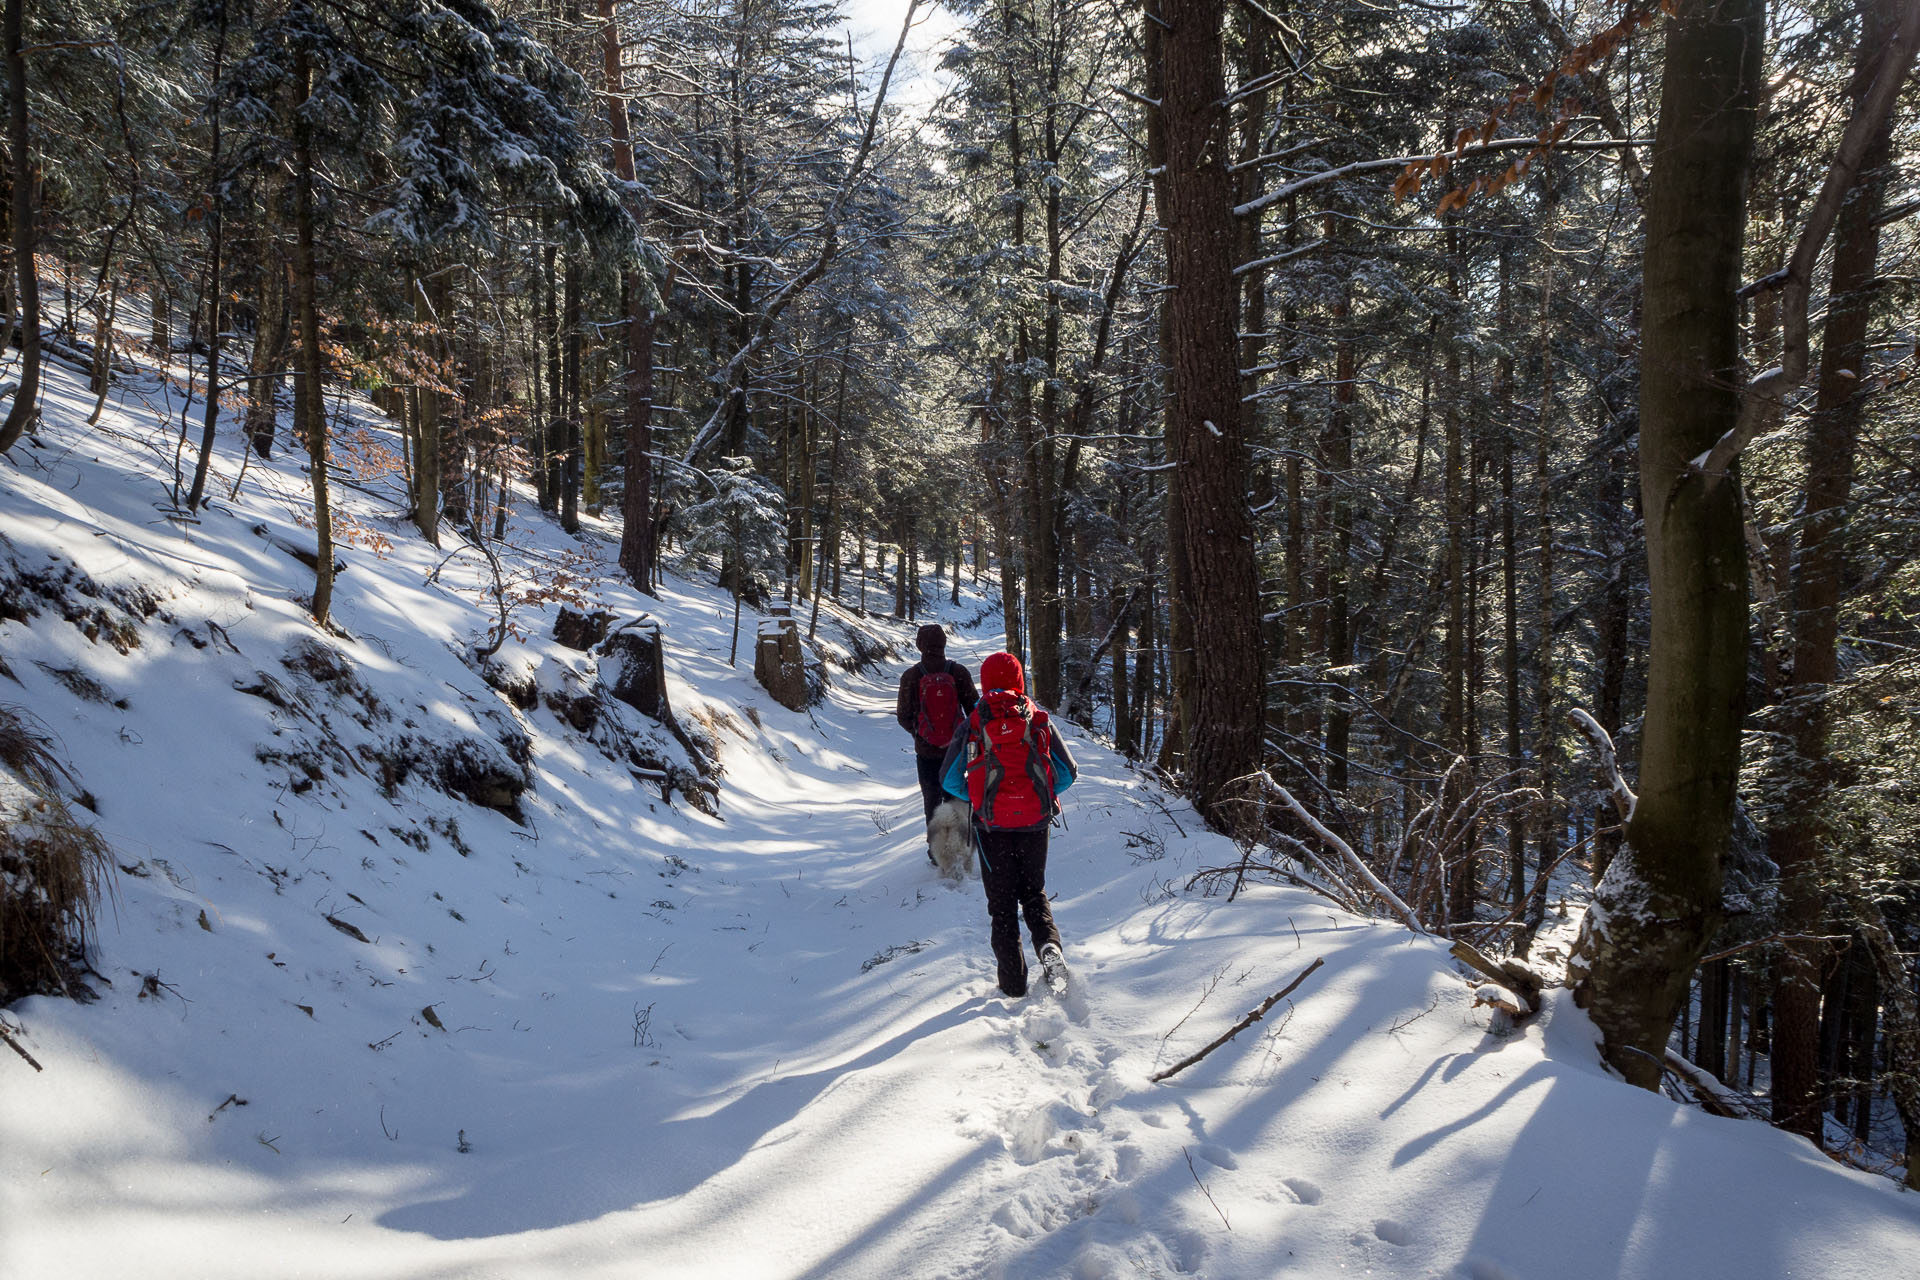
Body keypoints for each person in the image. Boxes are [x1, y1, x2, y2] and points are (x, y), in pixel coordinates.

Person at [939, 651, 1078, 999]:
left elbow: (948, 779)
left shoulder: (974, 722)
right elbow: (1068, 772)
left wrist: (980, 797)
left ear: (985, 681)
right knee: (1033, 893)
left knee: (1001, 907)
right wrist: (1040, 797)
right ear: (1019, 680)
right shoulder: (1036, 718)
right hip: (1035, 823)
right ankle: (1049, 947)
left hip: (991, 828)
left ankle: (1013, 986)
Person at [896, 624, 978, 859]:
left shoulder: (912, 676)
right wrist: (961, 736)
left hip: (926, 753)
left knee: (931, 801)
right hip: (957, 752)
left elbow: (903, 716)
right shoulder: (958, 671)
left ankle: (937, 854)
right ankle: (961, 847)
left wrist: (921, 734)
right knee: (957, 798)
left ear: (920, 645)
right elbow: (975, 710)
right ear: (944, 643)